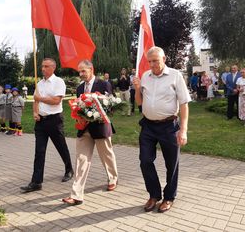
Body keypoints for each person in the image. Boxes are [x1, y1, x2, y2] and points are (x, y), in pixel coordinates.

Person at [132, 46, 191, 213]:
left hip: (169, 126)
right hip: (148, 126)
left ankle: (169, 197)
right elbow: (139, 102)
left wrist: (184, 130)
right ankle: (154, 194)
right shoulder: (145, 76)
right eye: (149, 61)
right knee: (145, 160)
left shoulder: (175, 75)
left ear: (164, 59)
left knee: (172, 164)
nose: (152, 64)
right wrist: (137, 88)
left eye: (155, 61)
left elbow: (184, 104)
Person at [62, 59, 118, 206]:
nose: (81, 74)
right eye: (79, 72)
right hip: (84, 129)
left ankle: (113, 178)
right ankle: (76, 195)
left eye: (83, 71)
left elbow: (110, 106)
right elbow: (78, 107)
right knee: (81, 160)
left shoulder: (103, 84)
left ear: (91, 69)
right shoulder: (80, 88)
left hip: (100, 127)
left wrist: (96, 113)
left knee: (106, 155)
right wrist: (80, 117)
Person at [20, 58, 74, 193]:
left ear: (53, 68)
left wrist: (40, 99)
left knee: (61, 146)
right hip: (41, 122)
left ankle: (69, 169)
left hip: (54, 120)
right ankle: (36, 182)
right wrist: (35, 112)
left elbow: (56, 101)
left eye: (46, 66)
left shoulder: (58, 82)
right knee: (39, 151)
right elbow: (35, 100)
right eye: (42, 66)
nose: (43, 69)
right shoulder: (39, 84)